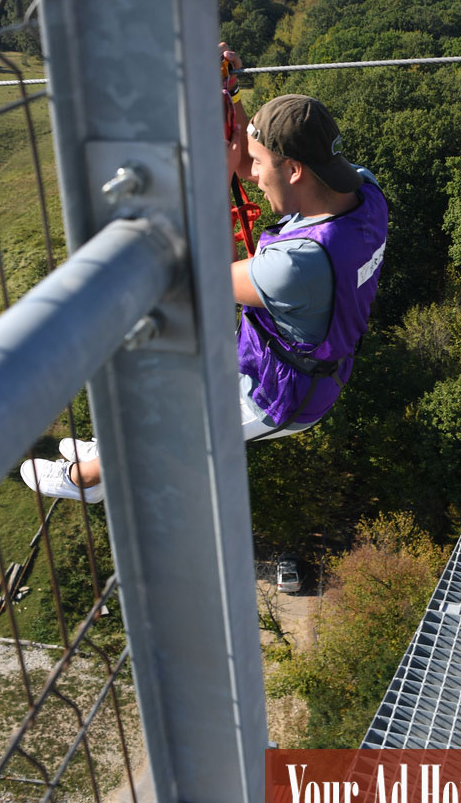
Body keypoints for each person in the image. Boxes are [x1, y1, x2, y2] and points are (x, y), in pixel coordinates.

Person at [21, 88, 387, 503]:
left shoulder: (295, 265)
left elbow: (213, 278)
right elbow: (251, 161)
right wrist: (231, 96)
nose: (253, 175)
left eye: (261, 164)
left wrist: (215, 182)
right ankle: (108, 453)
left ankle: (85, 480)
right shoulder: (364, 192)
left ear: (294, 169)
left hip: (275, 392)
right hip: (288, 360)